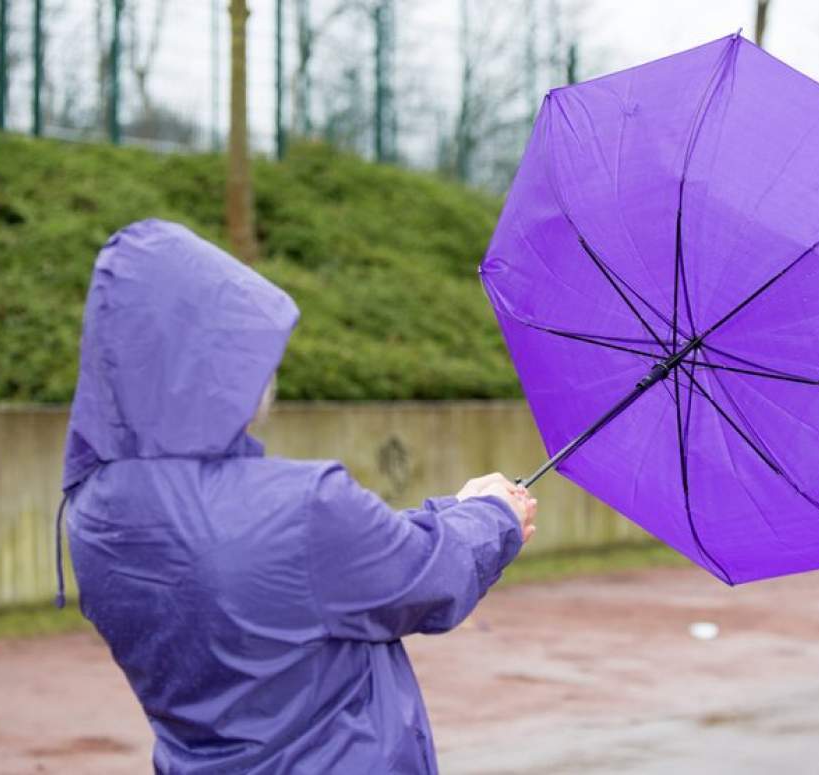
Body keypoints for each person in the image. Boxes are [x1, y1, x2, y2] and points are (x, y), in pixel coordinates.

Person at [57, 219, 536, 774]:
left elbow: (316, 568)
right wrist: (493, 515)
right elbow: (422, 575)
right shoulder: (304, 507)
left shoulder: (93, 513)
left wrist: (456, 510)